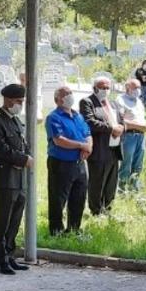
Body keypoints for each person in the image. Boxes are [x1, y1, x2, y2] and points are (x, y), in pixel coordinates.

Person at [0, 84, 32, 275]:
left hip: (19, 178)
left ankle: (11, 256)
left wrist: (26, 157)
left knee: (15, 220)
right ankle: (0, 259)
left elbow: (23, 144)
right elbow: (1, 149)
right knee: (2, 220)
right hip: (4, 179)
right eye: (18, 102)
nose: (20, 105)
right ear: (9, 100)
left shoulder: (14, 121)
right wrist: (23, 159)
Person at [45, 86, 90, 235]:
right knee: (58, 199)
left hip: (79, 162)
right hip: (61, 163)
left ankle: (74, 229)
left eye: (70, 93)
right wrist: (81, 145)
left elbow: (87, 133)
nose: (70, 96)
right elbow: (59, 140)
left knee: (79, 197)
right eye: (66, 94)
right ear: (58, 99)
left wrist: (88, 147)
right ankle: (56, 231)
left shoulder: (78, 116)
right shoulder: (53, 117)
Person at [79, 77, 123, 215]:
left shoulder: (113, 104)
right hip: (99, 149)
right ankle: (96, 210)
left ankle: (108, 208)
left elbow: (121, 120)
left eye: (107, 87)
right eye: (102, 87)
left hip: (114, 149)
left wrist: (121, 128)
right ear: (95, 88)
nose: (105, 90)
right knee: (98, 181)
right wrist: (111, 129)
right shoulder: (87, 102)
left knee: (111, 182)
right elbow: (89, 122)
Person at [114, 77, 146, 192]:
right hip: (128, 136)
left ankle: (134, 189)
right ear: (127, 88)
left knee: (138, 164)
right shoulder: (120, 100)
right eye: (135, 87)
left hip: (141, 136)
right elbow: (121, 121)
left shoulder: (139, 101)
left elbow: (142, 118)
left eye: (139, 87)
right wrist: (140, 126)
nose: (138, 90)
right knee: (126, 163)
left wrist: (144, 126)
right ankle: (122, 189)